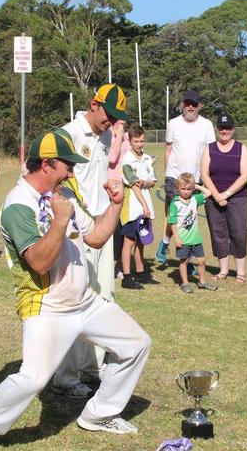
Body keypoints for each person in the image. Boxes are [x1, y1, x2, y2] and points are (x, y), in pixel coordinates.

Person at [0, 131, 151, 449]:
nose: (72, 172)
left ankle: (99, 414)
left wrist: (116, 205)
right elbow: (38, 262)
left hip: (85, 301)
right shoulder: (17, 205)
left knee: (136, 344)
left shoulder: (63, 195)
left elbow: (96, 237)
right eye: (67, 165)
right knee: (33, 378)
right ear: (47, 164)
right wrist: (60, 221)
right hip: (46, 306)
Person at [52, 83, 129, 397]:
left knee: (104, 298)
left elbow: (96, 178)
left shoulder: (106, 135)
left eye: (116, 117)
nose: (111, 121)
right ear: (93, 104)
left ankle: (92, 370)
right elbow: (55, 183)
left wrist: (108, 192)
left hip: (103, 226)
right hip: (78, 232)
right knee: (75, 300)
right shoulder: (68, 134)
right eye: (108, 114)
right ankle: (64, 376)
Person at [156, 89, 216, 266]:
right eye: (187, 103)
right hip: (174, 177)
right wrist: (167, 176)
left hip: (195, 179)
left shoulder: (206, 125)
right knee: (176, 216)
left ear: (199, 106)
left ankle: (166, 244)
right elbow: (167, 151)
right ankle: (186, 261)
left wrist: (206, 178)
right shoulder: (173, 123)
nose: (190, 107)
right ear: (183, 104)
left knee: (188, 219)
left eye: (194, 104)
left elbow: (209, 153)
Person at [200, 112, 247, 283]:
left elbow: (244, 175)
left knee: (239, 233)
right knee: (218, 234)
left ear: (233, 129)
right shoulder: (210, 148)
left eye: (228, 128)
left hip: (238, 199)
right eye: (222, 128)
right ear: (217, 129)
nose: (224, 131)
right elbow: (204, 174)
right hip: (214, 199)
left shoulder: (241, 148)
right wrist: (216, 195)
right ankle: (223, 270)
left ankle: (240, 273)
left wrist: (226, 194)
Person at [120, 125, 156, 289]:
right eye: (136, 141)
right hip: (133, 206)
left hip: (145, 205)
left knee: (141, 240)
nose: (140, 144)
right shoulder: (127, 160)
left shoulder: (148, 159)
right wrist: (144, 205)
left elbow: (152, 182)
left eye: (142, 141)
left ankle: (141, 273)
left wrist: (146, 182)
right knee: (129, 241)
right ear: (129, 141)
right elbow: (133, 185)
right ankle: (127, 277)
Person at [168, 173, 216, 294]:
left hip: (196, 239)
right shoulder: (175, 203)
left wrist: (198, 187)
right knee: (184, 261)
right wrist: (177, 238)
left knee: (201, 261)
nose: (185, 192)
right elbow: (172, 223)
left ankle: (202, 282)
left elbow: (209, 193)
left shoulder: (195, 199)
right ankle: (185, 283)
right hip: (183, 240)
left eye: (189, 189)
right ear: (177, 188)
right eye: (183, 189)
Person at [107, 120, 131, 279]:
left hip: (125, 188)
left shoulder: (127, 138)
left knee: (123, 230)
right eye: (117, 121)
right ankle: (109, 267)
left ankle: (117, 265)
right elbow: (112, 158)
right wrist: (119, 134)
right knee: (111, 229)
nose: (120, 123)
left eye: (123, 121)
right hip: (109, 189)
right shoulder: (106, 136)